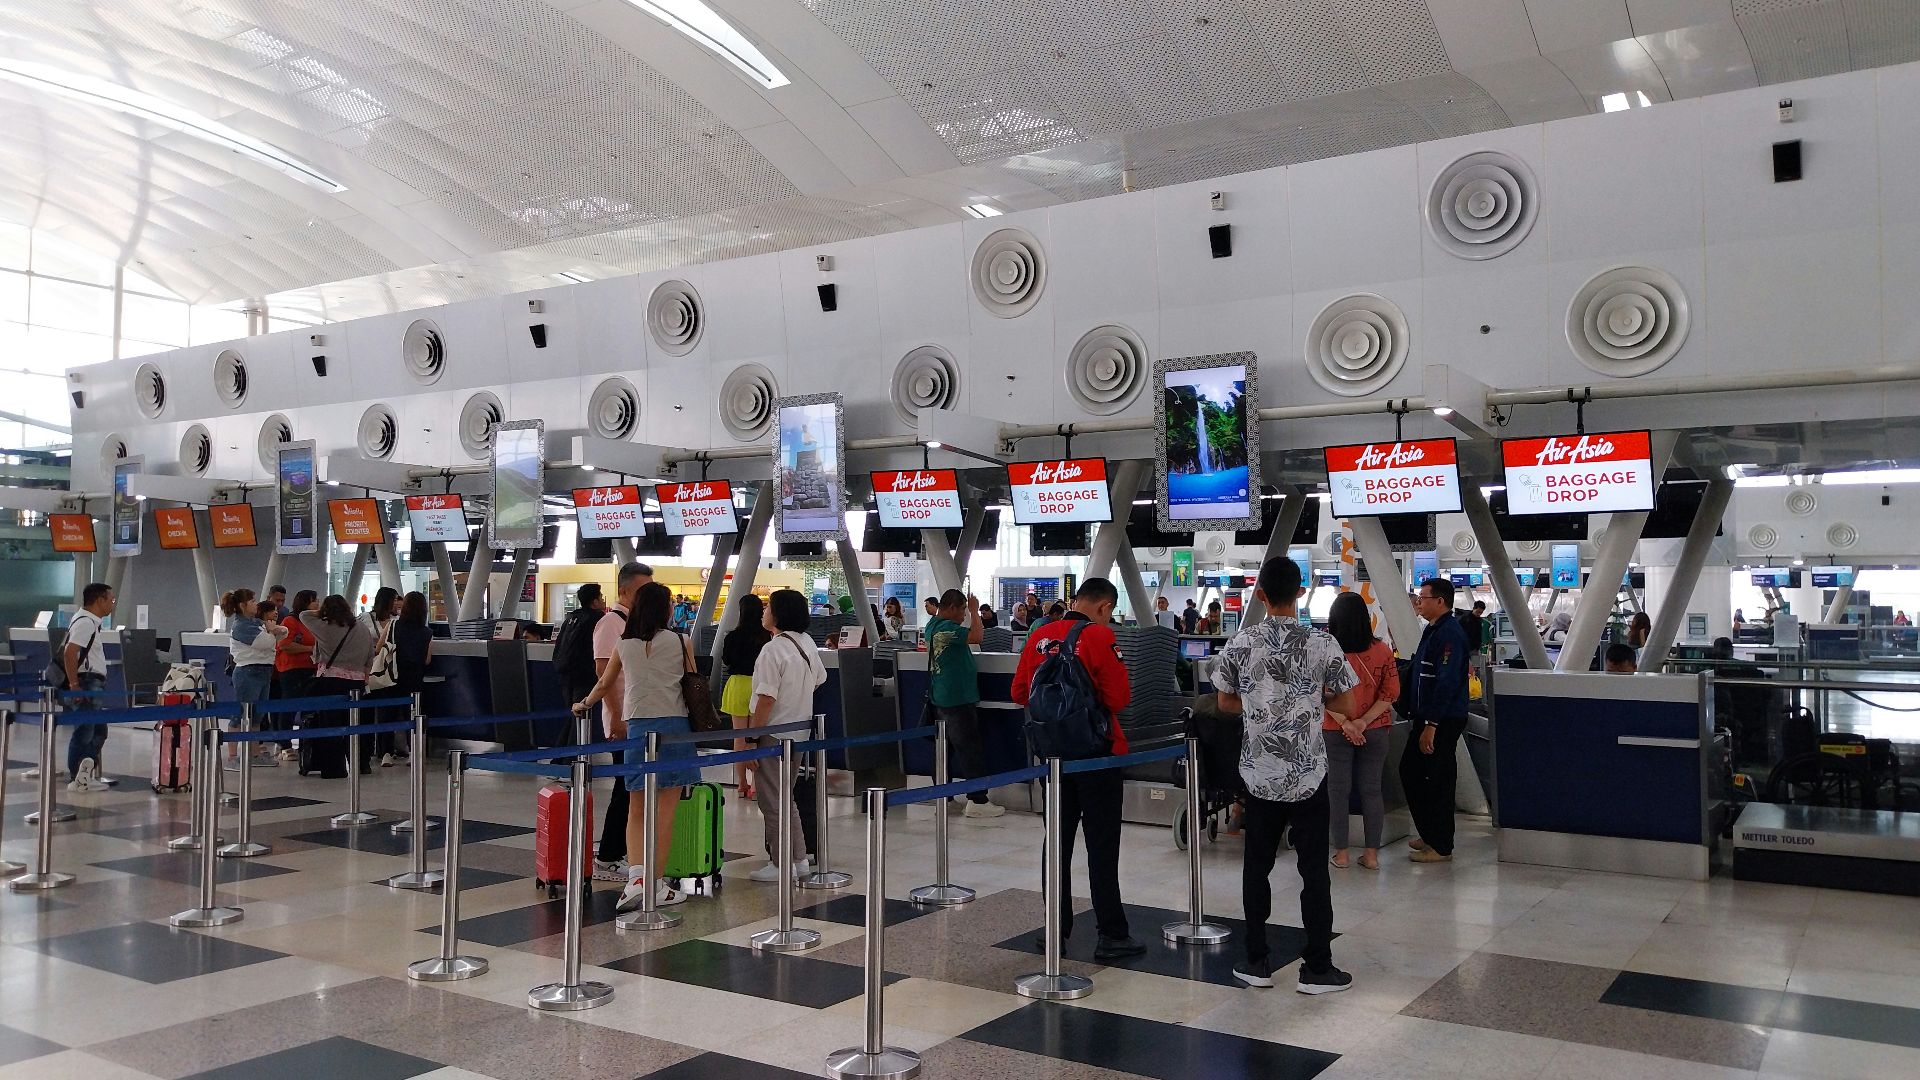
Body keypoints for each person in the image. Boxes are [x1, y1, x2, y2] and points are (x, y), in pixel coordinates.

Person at [1214, 556, 1358, 992]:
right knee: (1314, 870)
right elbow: (1350, 707)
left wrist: (1261, 706)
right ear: (1301, 593)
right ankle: (1317, 967)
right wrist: (1314, 702)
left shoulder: (1240, 643)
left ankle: (1256, 960)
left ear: (1260, 595)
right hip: (1308, 776)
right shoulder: (1323, 645)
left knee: (1256, 867)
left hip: (1259, 775)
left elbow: (1224, 704)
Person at [1011, 578, 1144, 961]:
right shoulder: (1100, 638)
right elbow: (1118, 698)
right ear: (1104, 607)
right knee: (1102, 846)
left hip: (1053, 759)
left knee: (1057, 843)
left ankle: (1055, 927)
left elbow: (1019, 693)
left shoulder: (1040, 635)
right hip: (1097, 755)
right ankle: (1112, 934)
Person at [574, 580, 702, 911]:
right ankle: (656, 886)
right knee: (666, 812)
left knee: (636, 808)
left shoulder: (624, 643)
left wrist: (583, 705)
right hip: (674, 728)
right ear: (666, 609)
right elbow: (694, 682)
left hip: (637, 728)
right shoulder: (680, 640)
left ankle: (636, 879)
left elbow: (603, 683)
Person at [742, 588, 827, 882]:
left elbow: (765, 698)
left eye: (768, 607)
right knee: (785, 798)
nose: (764, 611)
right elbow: (818, 680)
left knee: (772, 801)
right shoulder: (806, 642)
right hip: (799, 731)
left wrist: (753, 738)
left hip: (774, 734)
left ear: (778, 614)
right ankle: (799, 859)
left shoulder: (773, 649)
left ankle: (782, 864)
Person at [1322, 591, 1398, 872]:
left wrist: (1346, 723)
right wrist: (1364, 722)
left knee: (1337, 792)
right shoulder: (1382, 651)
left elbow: (1319, 695)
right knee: (1372, 791)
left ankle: (1341, 854)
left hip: (1334, 729)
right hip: (1375, 730)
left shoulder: (1327, 651)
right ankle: (1372, 855)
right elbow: (1391, 694)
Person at [1402, 578, 1471, 863]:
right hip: (1426, 715)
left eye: (1423, 597)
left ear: (1439, 601)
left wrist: (1432, 724)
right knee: (1412, 772)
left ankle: (1441, 845)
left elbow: (1447, 681)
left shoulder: (1450, 634)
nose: (1419, 602)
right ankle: (1430, 833)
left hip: (1442, 719)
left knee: (1438, 779)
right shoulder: (1433, 630)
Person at [590, 562, 651, 880]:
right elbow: (604, 674)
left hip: (638, 716)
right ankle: (608, 855)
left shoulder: (634, 623)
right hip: (623, 719)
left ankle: (622, 849)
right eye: (642, 590)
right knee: (625, 787)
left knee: (633, 786)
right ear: (624, 590)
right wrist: (615, 716)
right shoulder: (610, 624)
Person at [926, 589, 1004, 819]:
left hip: (942, 695)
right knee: (969, 749)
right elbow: (978, 637)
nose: (963, 616)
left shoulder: (932, 625)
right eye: (962, 611)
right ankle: (977, 800)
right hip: (956, 697)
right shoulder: (945, 629)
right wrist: (975, 611)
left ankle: (945, 796)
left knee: (944, 751)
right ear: (952, 608)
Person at [300, 594, 377, 779]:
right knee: (356, 725)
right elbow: (370, 655)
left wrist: (323, 611)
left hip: (331, 682)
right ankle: (361, 764)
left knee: (331, 726)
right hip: (358, 682)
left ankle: (334, 768)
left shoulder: (325, 628)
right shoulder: (361, 628)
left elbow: (304, 615)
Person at [62, 582, 115, 791]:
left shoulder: (88, 621)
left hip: (91, 682)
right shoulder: (85, 622)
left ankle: (84, 774)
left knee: (98, 730)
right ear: (99, 600)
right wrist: (75, 684)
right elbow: (69, 652)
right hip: (87, 682)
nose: (112, 604)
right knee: (85, 730)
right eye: (111, 600)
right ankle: (77, 777)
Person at [721, 593, 771, 807]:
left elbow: (726, 659)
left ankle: (741, 784)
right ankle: (756, 786)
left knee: (739, 738)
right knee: (756, 737)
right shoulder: (766, 637)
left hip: (737, 685)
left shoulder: (732, 636)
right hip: (759, 685)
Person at [228, 590, 287, 766]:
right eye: (252, 601)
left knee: (257, 717)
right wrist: (272, 632)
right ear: (242, 606)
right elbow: (266, 643)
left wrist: (273, 631)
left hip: (264, 671)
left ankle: (254, 754)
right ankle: (232, 756)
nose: (256, 604)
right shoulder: (241, 625)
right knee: (240, 714)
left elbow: (283, 632)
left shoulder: (257, 623)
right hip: (247, 672)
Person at [273, 590, 318, 760]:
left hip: (310, 668)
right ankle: (285, 744)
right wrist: (309, 649)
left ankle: (305, 744)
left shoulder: (313, 622)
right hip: (291, 669)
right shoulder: (290, 621)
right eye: (314, 601)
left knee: (308, 708)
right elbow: (284, 645)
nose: (317, 604)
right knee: (289, 706)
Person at [363, 586, 404, 768]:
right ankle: (367, 748)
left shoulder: (397, 622)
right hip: (369, 670)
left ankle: (385, 750)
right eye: (394, 599)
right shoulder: (365, 619)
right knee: (367, 711)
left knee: (387, 711)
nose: (397, 603)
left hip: (388, 672)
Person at [391, 591, 434, 717]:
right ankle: (414, 737)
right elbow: (427, 660)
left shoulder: (393, 625)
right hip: (414, 681)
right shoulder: (427, 633)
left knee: (388, 717)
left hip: (392, 678)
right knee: (412, 717)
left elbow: (379, 649)